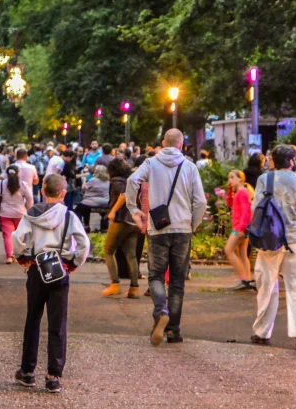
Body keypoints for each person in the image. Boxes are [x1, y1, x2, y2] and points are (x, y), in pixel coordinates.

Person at [126, 128, 206, 346]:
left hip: (158, 228)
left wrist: (134, 209)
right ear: (181, 145)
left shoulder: (151, 163)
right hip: (182, 228)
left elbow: (132, 181)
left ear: (163, 143)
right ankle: (174, 330)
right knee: (178, 281)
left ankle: (161, 310)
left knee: (155, 276)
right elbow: (200, 202)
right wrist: (194, 223)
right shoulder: (189, 167)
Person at [12, 174, 90, 394]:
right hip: (60, 269)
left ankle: (27, 371)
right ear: (63, 193)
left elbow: (17, 238)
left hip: (37, 268)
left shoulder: (31, 213)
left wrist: (22, 257)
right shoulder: (69, 216)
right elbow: (84, 244)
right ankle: (53, 375)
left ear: (43, 191)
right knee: (58, 322)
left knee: (33, 318)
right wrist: (73, 263)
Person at [249, 144, 296, 348]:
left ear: (273, 159)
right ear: (292, 161)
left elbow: (256, 207)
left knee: (267, 287)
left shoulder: (265, 180)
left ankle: (262, 332)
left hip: (270, 240)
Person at [102, 157, 142, 298]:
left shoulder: (116, 181)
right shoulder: (130, 179)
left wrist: (112, 211)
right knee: (131, 255)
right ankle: (134, 288)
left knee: (108, 250)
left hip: (122, 219)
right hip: (134, 220)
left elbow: (123, 195)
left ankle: (115, 284)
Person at [0, 164, 33, 263]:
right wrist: (28, 208)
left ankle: (9, 256)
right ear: (18, 173)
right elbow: (29, 198)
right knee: (20, 235)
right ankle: (19, 255)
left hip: (5, 213)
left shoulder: (0, 184)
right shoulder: (23, 184)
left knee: (7, 235)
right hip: (20, 213)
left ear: (6, 173)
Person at [222, 169, 254, 291]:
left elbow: (247, 212)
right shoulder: (239, 192)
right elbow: (230, 203)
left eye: (232, 177)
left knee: (228, 249)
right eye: (229, 178)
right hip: (241, 227)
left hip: (239, 228)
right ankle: (247, 279)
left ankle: (242, 279)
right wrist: (230, 191)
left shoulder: (243, 192)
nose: (230, 180)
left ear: (240, 179)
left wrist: (241, 228)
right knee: (242, 254)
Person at [77, 164, 110, 232]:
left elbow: (83, 188)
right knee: (87, 207)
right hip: (105, 202)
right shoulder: (108, 181)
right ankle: (104, 226)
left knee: (79, 208)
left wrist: (84, 180)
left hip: (92, 201)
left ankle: (86, 225)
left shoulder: (93, 180)